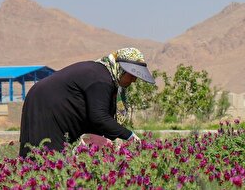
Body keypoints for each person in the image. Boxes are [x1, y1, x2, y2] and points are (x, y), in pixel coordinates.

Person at [19, 47, 155, 157]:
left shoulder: (104, 76)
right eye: (132, 75)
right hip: (46, 106)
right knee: (46, 159)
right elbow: (99, 117)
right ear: (121, 69)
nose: (134, 80)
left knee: (55, 161)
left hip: (45, 103)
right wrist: (129, 136)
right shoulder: (101, 80)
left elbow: (96, 120)